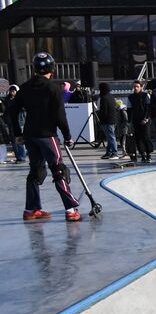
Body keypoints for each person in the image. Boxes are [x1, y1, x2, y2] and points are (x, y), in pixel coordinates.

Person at [15, 52, 82, 221]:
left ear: (35, 68)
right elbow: (60, 115)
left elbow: (12, 111)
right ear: (52, 69)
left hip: (30, 135)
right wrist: (67, 135)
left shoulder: (25, 87)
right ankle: (71, 210)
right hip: (47, 135)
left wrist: (17, 133)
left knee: (35, 171)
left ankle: (31, 209)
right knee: (58, 170)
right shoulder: (53, 87)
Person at [126, 80, 151, 163]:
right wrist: (129, 122)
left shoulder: (145, 95)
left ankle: (148, 154)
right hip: (136, 120)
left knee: (146, 137)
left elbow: (148, 107)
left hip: (145, 120)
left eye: (137, 86)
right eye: (134, 87)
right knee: (138, 139)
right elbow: (129, 110)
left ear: (141, 87)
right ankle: (142, 155)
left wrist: (146, 118)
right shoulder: (130, 97)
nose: (135, 88)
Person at [2, 83, 27, 164]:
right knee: (13, 141)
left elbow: (24, 108)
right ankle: (18, 157)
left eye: (14, 91)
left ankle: (22, 157)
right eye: (11, 91)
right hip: (11, 122)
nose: (12, 92)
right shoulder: (7, 99)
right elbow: (5, 110)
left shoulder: (20, 99)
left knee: (19, 139)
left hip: (19, 122)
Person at [95, 82, 121, 158]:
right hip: (113, 120)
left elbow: (104, 111)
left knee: (111, 137)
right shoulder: (111, 97)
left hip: (107, 121)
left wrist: (100, 118)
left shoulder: (103, 98)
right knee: (109, 137)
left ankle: (114, 152)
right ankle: (109, 152)